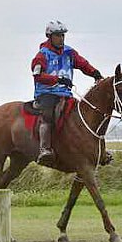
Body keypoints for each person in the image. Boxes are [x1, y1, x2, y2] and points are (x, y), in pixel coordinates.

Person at [31, 20, 104, 166]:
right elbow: (37, 75)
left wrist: (95, 73)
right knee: (48, 116)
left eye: (63, 35)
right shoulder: (42, 55)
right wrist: (57, 79)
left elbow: (83, 64)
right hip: (47, 93)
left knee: (81, 115)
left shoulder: (69, 52)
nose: (61, 38)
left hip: (66, 94)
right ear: (50, 36)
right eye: (58, 35)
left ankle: (96, 149)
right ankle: (44, 149)